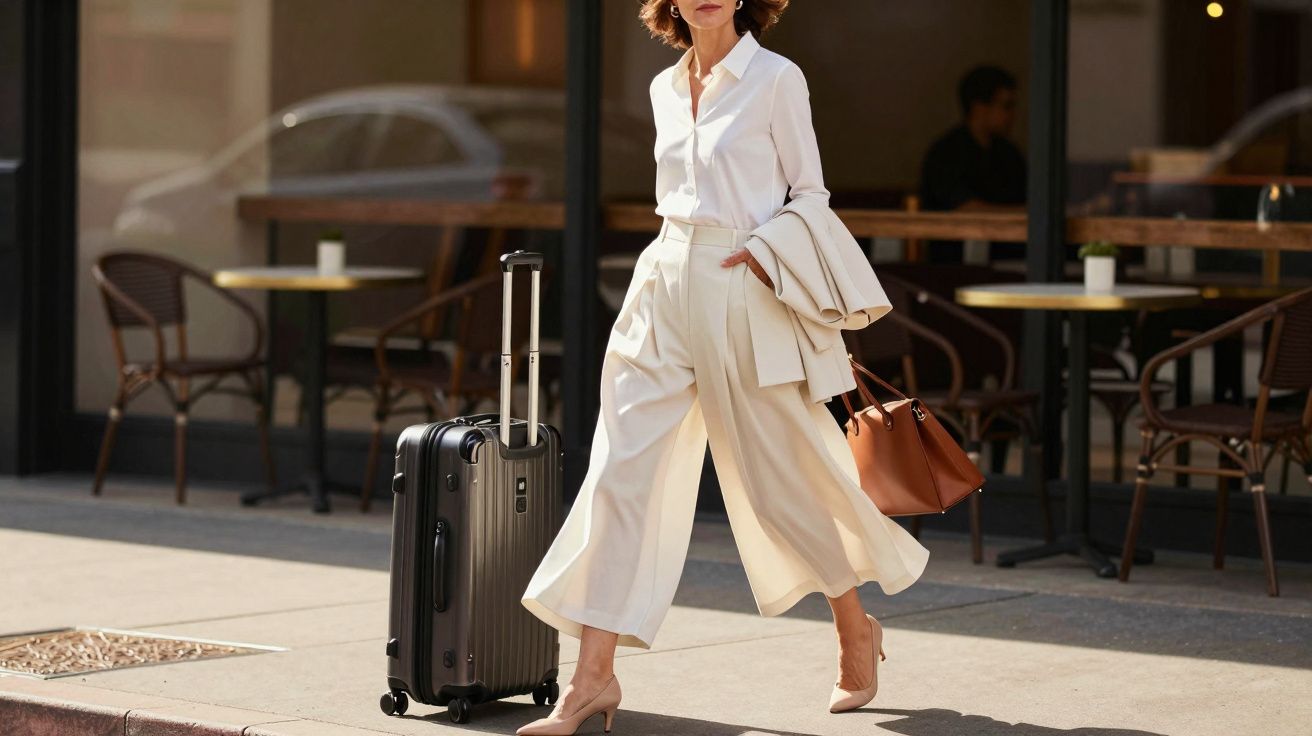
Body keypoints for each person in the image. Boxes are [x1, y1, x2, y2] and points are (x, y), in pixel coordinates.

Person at [515, 2, 929, 733]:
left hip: (744, 284)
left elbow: (812, 196)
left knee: (780, 484)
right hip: (663, 282)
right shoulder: (663, 88)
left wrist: (766, 254)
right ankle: (591, 678)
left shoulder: (776, 78)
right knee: (619, 476)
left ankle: (854, 626)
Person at [919, 64, 1027, 263]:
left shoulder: (1009, 154)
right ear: (979, 108)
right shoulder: (946, 153)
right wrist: (1028, 213)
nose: (1012, 115)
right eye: (1006, 106)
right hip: (954, 264)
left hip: (1012, 259)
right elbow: (964, 208)